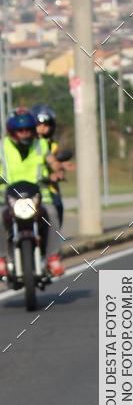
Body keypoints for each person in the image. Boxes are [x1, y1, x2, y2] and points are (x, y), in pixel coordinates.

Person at [0, 109, 65, 278]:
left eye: (28, 130)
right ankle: (1, 258)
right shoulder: (2, 146)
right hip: (8, 197)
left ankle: (53, 257)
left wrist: (58, 170)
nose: (25, 134)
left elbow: (52, 161)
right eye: (20, 130)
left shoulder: (40, 144)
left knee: (51, 212)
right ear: (12, 132)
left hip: (38, 195)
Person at [32, 104, 68, 228]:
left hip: (49, 188)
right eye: (39, 125)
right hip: (31, 188)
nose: (42, 128)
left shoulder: (53, 146)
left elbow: (55, 163)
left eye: (46, 125)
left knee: (57, 207)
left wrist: (60, 170)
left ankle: (54, 236)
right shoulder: (28, 145)